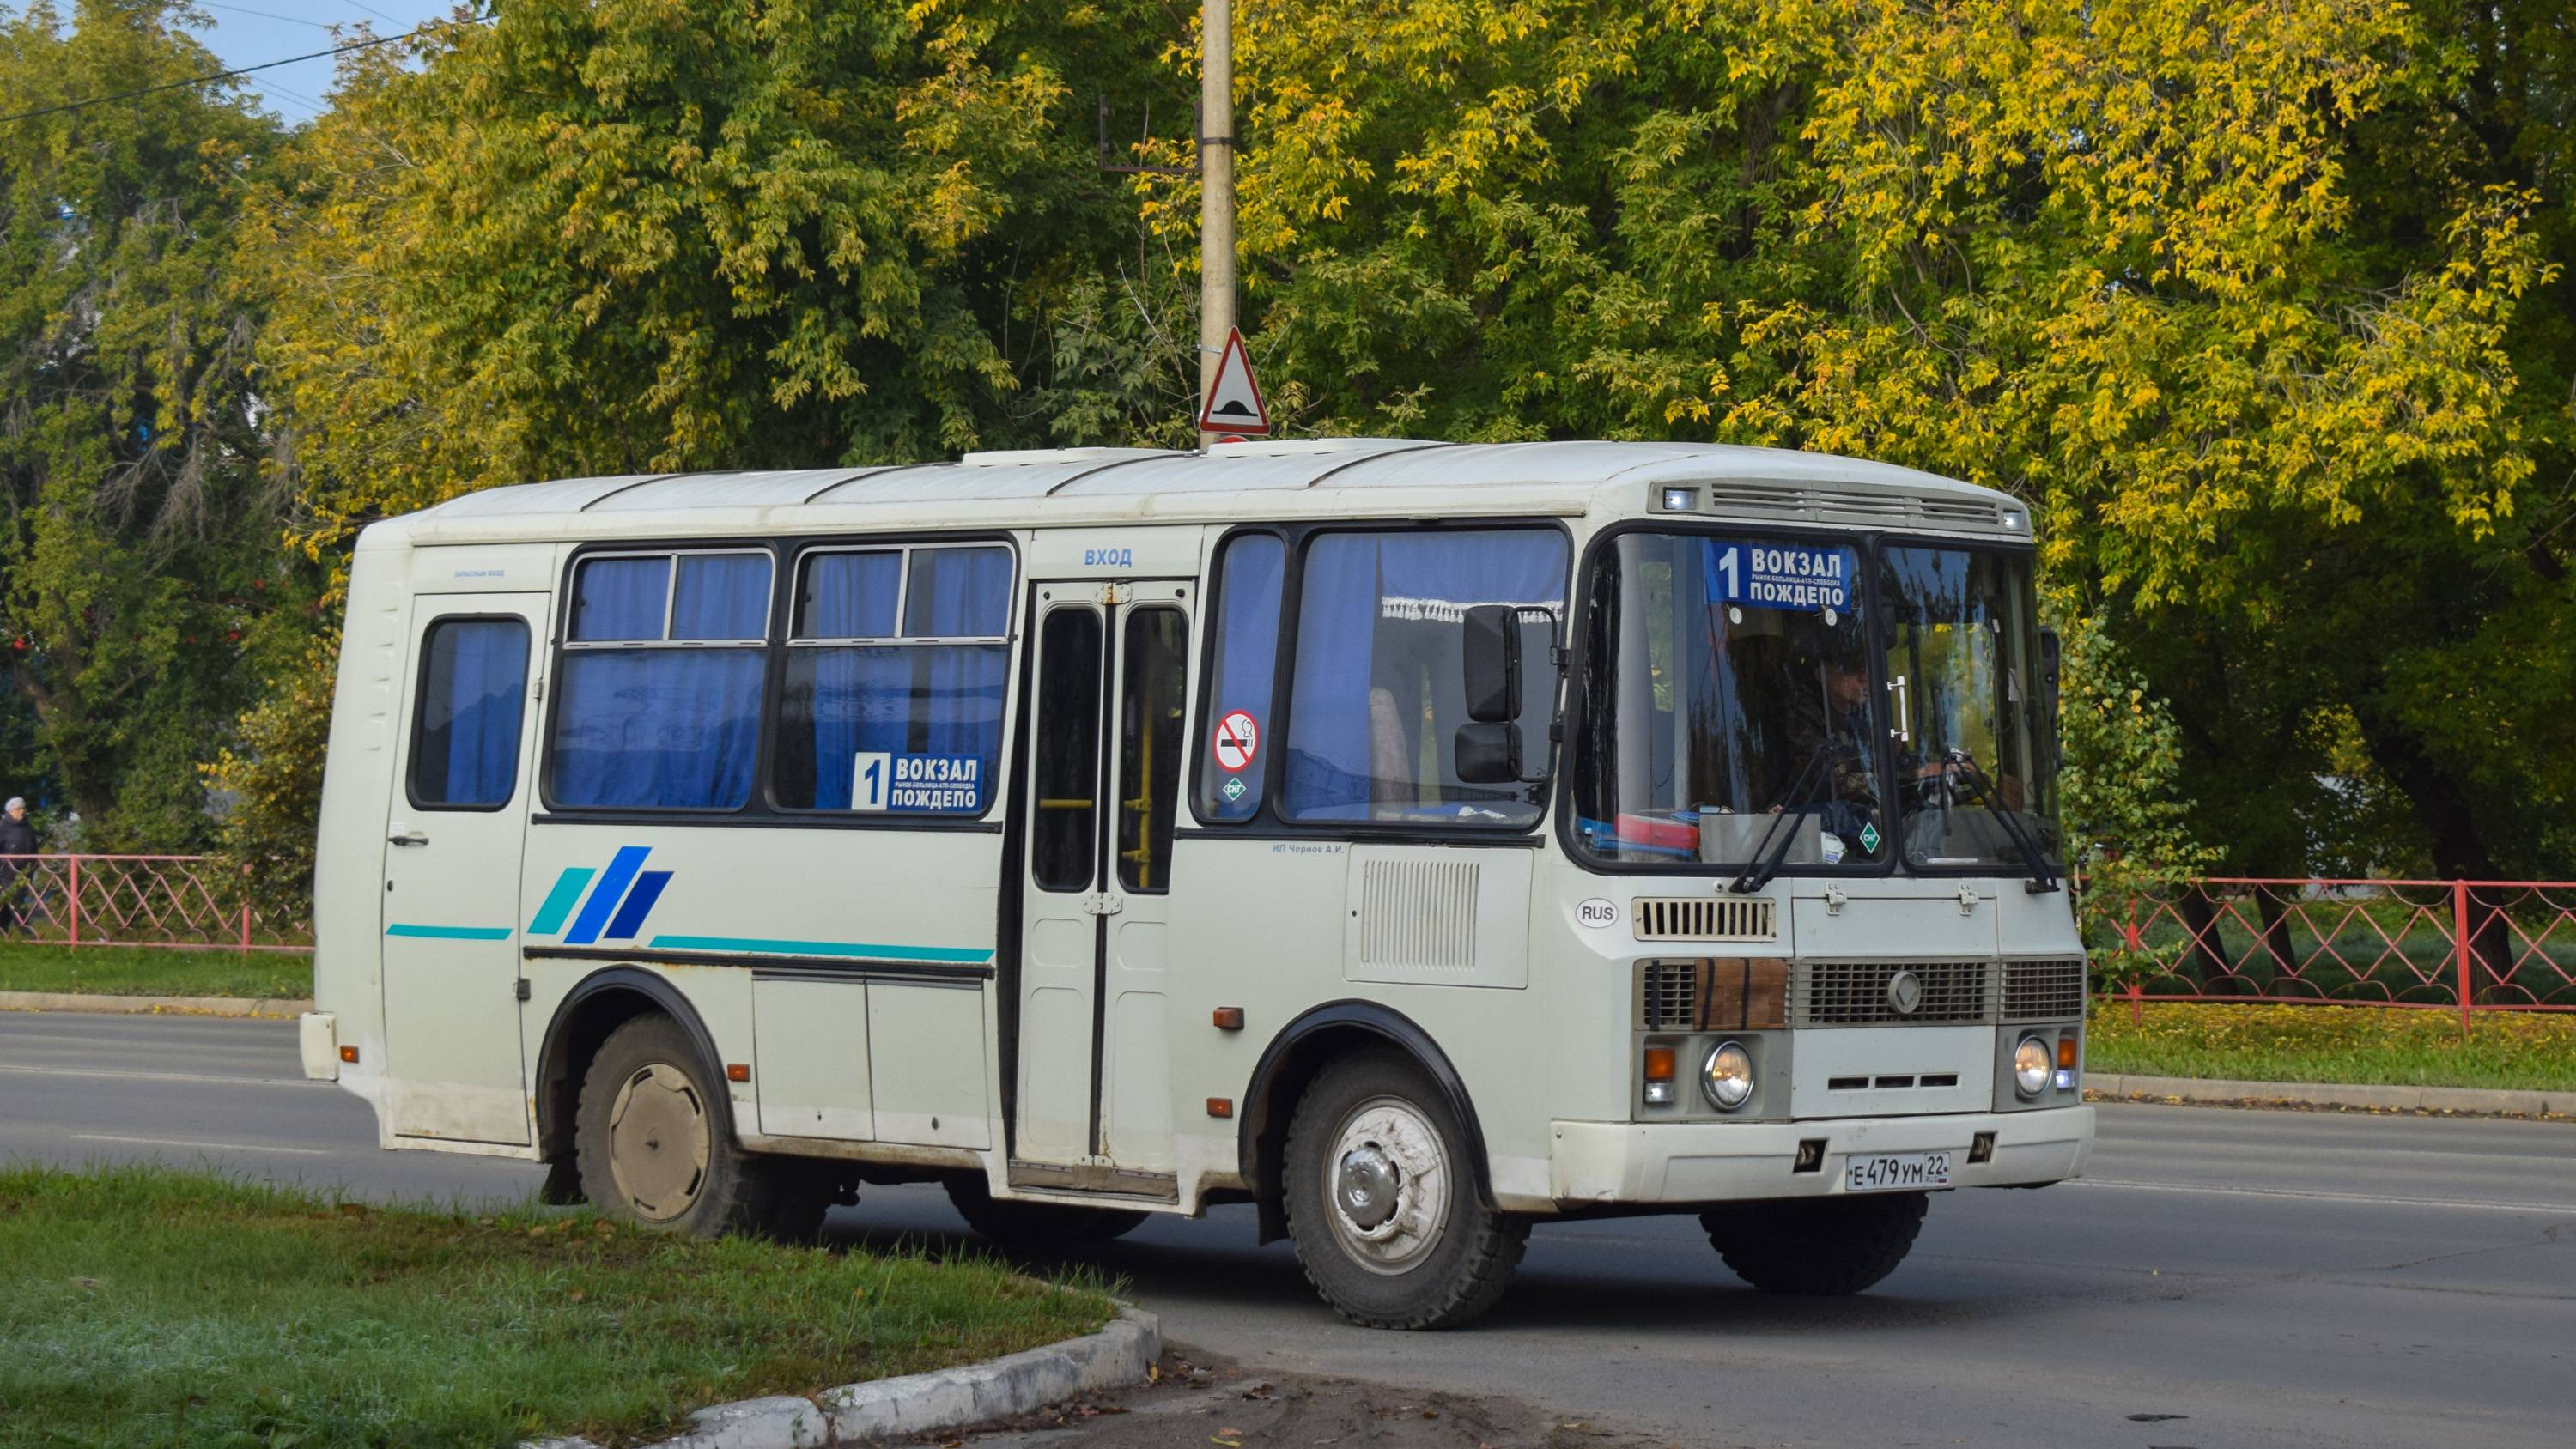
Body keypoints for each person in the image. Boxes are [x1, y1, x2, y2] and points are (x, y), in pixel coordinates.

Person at [0, 797, 38, 935]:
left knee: (7, 905)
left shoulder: (27, 827)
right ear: (10, 811)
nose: (21, 812)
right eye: (18, 809)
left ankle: (2, 931)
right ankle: (28, 934)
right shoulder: (3, 827)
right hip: (7, 874)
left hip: (26, 873)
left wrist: (34, 866)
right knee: (16, 904)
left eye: (23, 809)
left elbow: (34, 848)